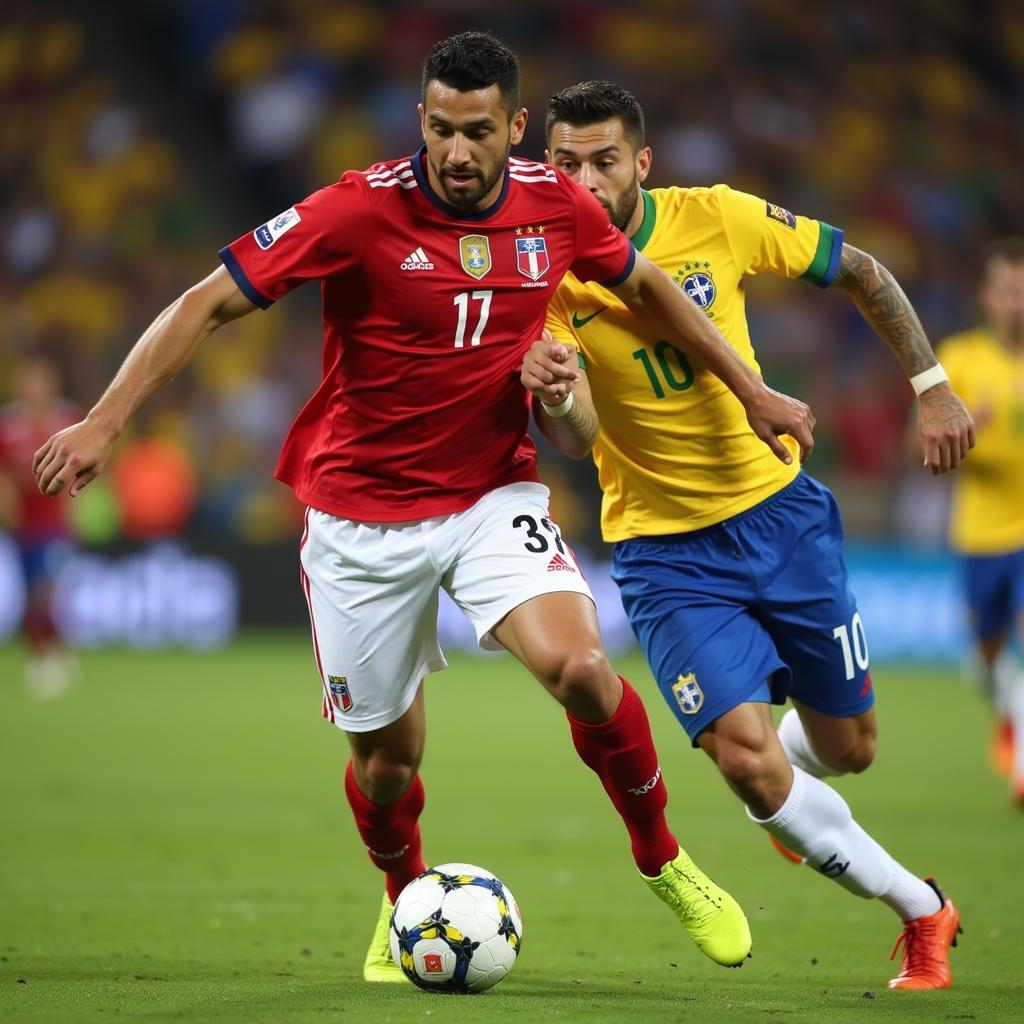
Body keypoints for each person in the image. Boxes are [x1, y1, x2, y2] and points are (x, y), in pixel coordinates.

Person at [30, 33, 819, 980]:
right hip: (360, 519)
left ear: (514, 128)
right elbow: (206, 300)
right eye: (439, 128)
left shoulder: (556, 203)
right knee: (388, 764)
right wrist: (106, 422)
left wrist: (751, 389)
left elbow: (647, 284)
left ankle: (664, 858)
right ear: (421, 120)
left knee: (580, 667)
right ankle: (404, 896)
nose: (455, 151)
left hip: (491, 492)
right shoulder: (357, 211)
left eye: (477, 132)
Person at [525, 80, 975, 991]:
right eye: (563, 162)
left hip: (782, 519)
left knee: (850, 751)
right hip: (663, 552)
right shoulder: (541, 275)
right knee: (744, 762)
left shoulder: (719, 219)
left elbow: (863, 271)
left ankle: (800, 775)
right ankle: (923, 911)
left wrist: (931, 384)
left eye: (603, 161)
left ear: (641, 165)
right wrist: (561, 393)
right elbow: (570, 438)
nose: (582, 179)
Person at [934, 238, 1024, 805]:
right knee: (987, 657)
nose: (1018, 303)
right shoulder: (960, 358)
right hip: (978, 536)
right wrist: (963, 429)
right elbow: (915, 449)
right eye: (1009, 291)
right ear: (987, 297)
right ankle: (1006, 712)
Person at [0, 353, 80, 698]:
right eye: (29, 380)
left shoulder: (69, 420)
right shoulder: (8, 425)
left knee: (45, 589)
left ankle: (53, 652)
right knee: (29, 589)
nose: (35, 388)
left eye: (41, 380)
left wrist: (77, 508)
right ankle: (43, 653)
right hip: (22, 525)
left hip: (55, 524)